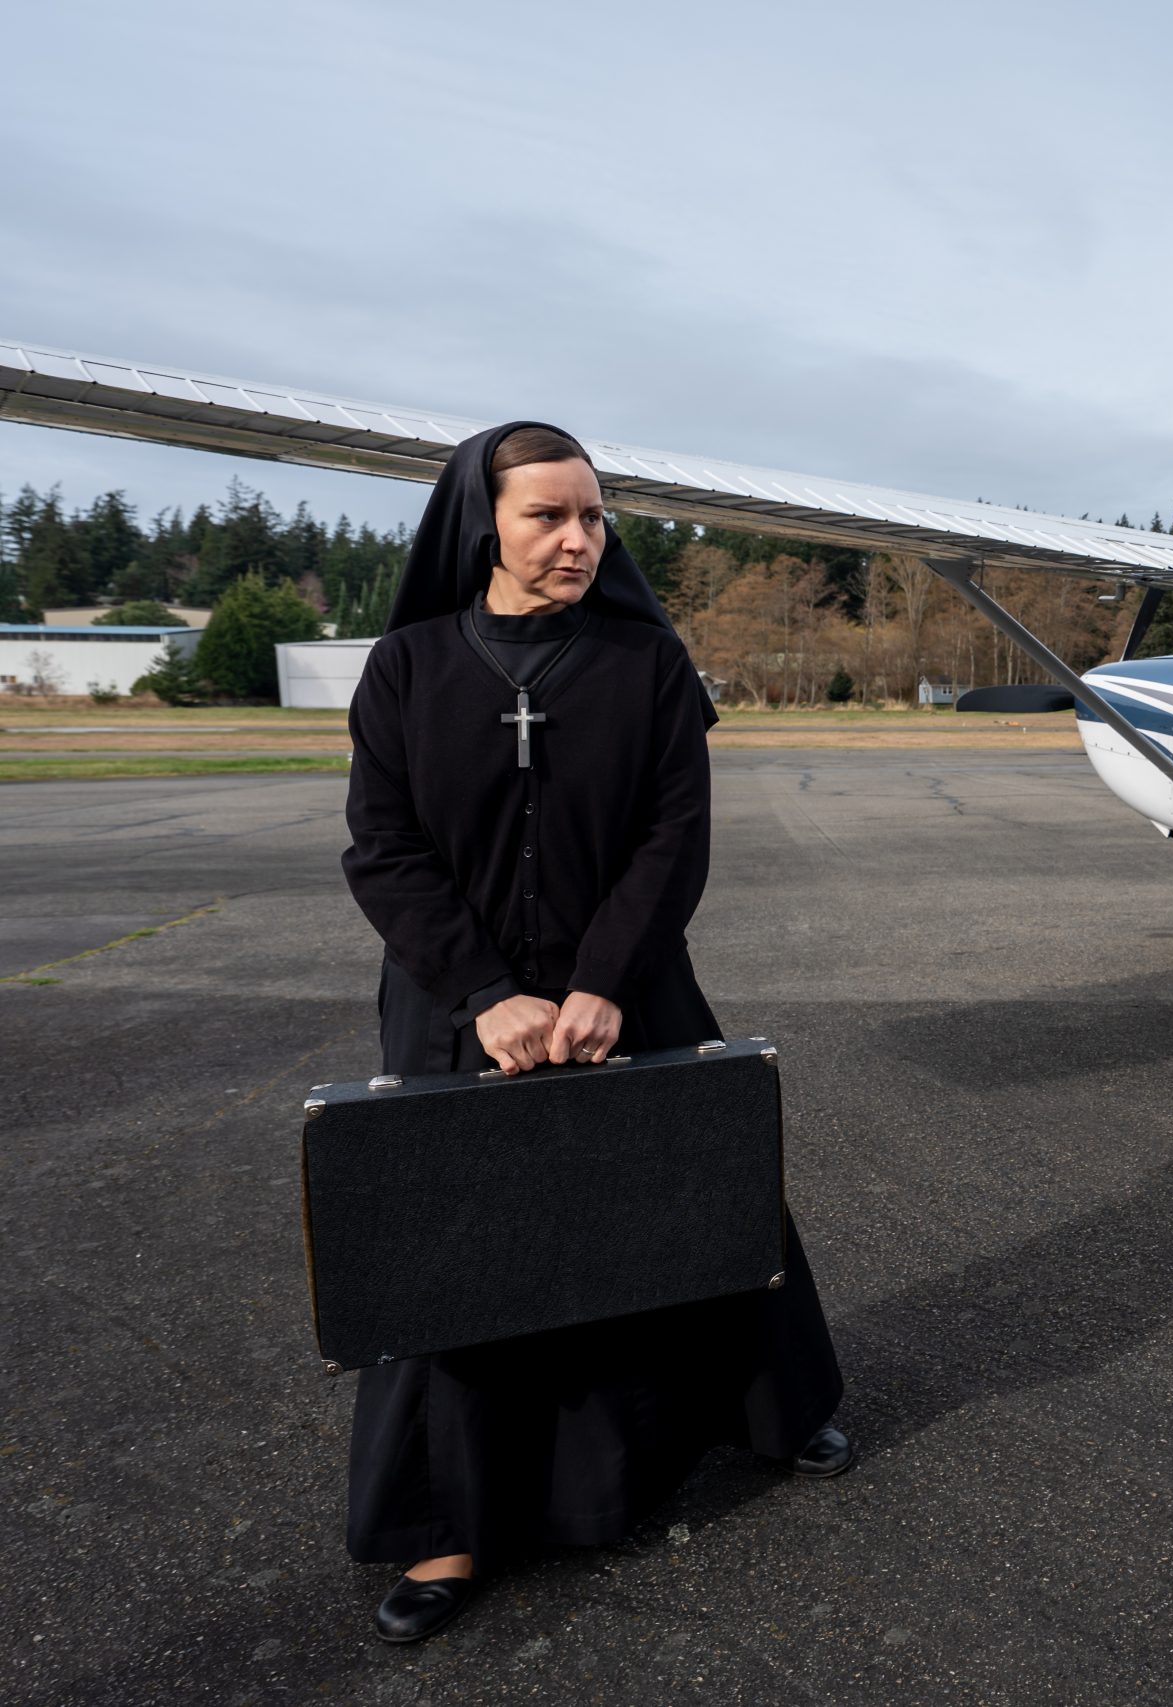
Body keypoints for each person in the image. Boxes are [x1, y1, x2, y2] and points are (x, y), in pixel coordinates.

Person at [339, 422, 848, 1643]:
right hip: (457, 1007)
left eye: (592, 516)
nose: (577, 540)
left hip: (631, 987)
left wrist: (604, 978)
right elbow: (383, 849)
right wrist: (482, 992)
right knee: (449, 1249)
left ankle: (776, 1410)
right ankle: (443, 1531)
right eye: (547, 517)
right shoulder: (405, 668)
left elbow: (674, 835)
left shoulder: (647, 662)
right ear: (483, 526)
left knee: (696, 1195)